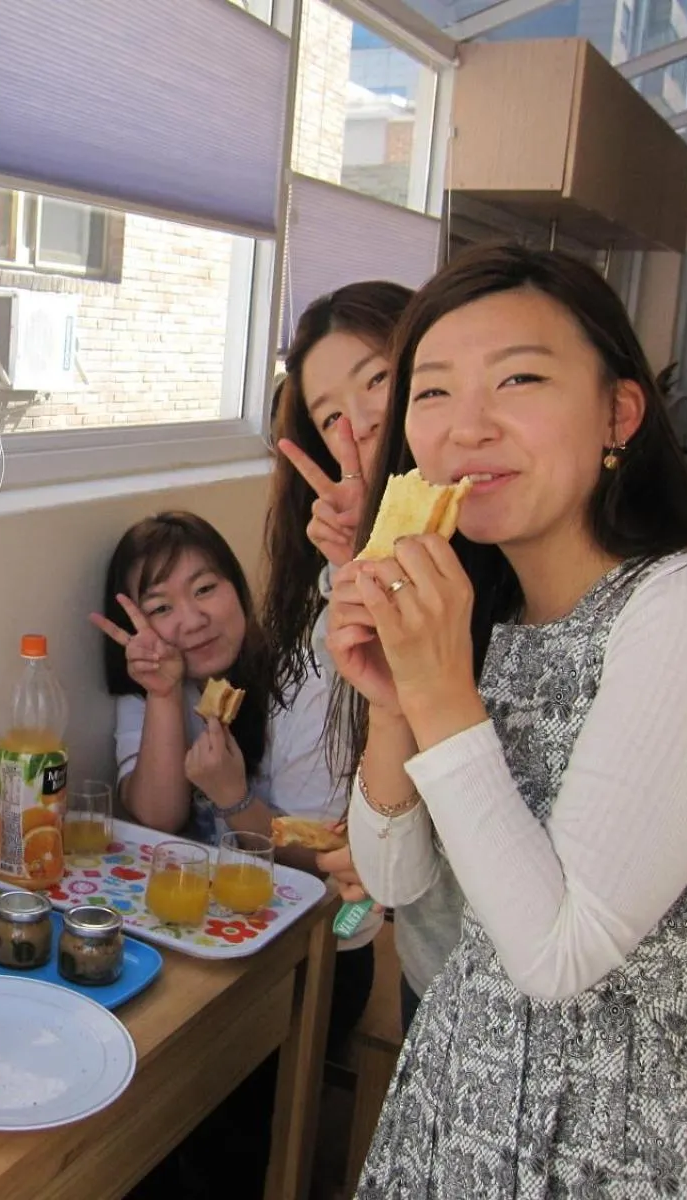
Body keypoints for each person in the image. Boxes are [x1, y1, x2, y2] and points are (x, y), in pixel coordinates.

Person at [328, 245, 687, 1195]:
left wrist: (442, 695)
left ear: (619, 413)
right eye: (432, 392)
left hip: (613, 1125)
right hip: (464, 1089)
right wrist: (393, 703)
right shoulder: (491, 617)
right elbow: (392, 877)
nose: (467, 428)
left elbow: (559, 953)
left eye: (520, 379)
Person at [92, 511, 352, 1200]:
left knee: (212, 1119)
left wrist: (237, 799)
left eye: (206, 589)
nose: (190, 620)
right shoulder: (154, 683)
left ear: (238, 589)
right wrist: (158, 697)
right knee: (125, 1086)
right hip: (193, 936)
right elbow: (158, 817)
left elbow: (326, 867)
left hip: (317, 943)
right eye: (161, 607)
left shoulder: (305, 680)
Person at [266, 280, 463, 1032]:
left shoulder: (508, 544)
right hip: (434, 961)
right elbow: (388, 735)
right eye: (332, 415)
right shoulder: (345, 582)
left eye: (379, 378)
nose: (367, 417)